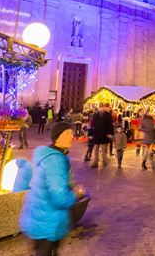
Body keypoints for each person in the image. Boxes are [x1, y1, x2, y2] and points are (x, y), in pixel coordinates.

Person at [19, 122, 84, 256]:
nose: (72, 136)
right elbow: (60, 199)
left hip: (38, 217)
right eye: (68, 133)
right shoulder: (55, 161)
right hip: (48, 223)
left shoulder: (46, 155)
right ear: (58, 137)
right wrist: (76, 194)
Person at [91, 103, 113, 168]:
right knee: (96, 149)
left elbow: (110, 125)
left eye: (102, 107)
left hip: (105, 134)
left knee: (104, 149)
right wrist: (91, 134)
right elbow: (91, 125)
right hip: (97, 133)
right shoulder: (95, 114)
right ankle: (95, 162)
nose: (102, 108)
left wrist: (110, 133)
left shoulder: (108, 115)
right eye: (100, 107)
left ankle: (104, 161)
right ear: (98, 108)